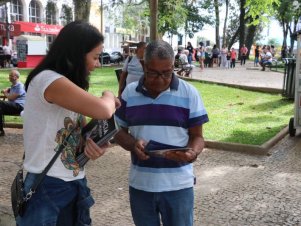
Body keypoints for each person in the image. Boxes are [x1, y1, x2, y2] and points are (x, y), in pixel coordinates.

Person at [17, 21, 121, 226]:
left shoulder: (66, 84)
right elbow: (104, 109)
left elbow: (73, 135)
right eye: (95, 57)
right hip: (47, 185)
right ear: (76, 54)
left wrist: (93, 144)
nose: (97, 64)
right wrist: (108, 94)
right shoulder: (48, 80)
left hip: (73, 181)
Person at [114, 40, 209, 226]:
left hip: (179, 186)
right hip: (141, 185)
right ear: (143, 65)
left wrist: (193, 152)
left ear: (173, 66)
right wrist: (132, 144)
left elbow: (197, 136)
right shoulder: (129, 93)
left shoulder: (189, 94)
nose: (160, 79)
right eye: (153, 73)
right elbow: (117, 132)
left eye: (167, 72)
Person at [0, 69, 26, 136]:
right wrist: (7, 90)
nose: (9, 77)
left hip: (19, 106)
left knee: (1, 103)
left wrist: (5, 93)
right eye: (9, 75)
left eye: (11, 75)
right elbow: (10, 94)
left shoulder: (20, 86)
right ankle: (1, 130)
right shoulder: (12, 86)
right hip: (13, 106)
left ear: (16, 77)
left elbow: (12, 98)